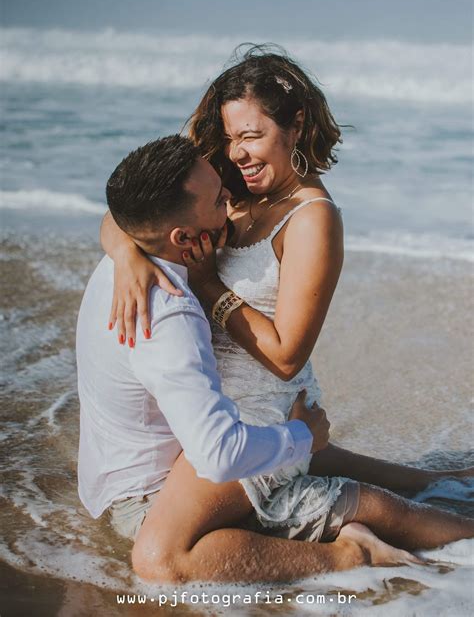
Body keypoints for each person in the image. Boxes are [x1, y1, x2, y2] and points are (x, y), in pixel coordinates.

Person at [100, 49, 473, 582]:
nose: (238, 152)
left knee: (162, 555)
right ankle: (427, 479)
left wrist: (208, 286)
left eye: (251, 135)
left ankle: (369, 541)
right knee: (382, 478)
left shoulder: (312, 219)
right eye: (230, 137)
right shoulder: (224, 189)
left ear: (295, 125)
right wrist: (124, 254)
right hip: (207, 404)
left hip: (264, 410)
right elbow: (128, 210)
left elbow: (285, 354)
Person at [79, 134, 409, 585]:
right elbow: (217, 455)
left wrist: (119, 249)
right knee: (346, 501)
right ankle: (351, 555)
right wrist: (298, 437)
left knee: (334, 471)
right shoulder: (169, 311)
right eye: (219, 199)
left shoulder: (124, 260)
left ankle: (434, 485)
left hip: (114, 476)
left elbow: (119, 218)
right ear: (182, 237)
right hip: (151, 503)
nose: (231, 199)